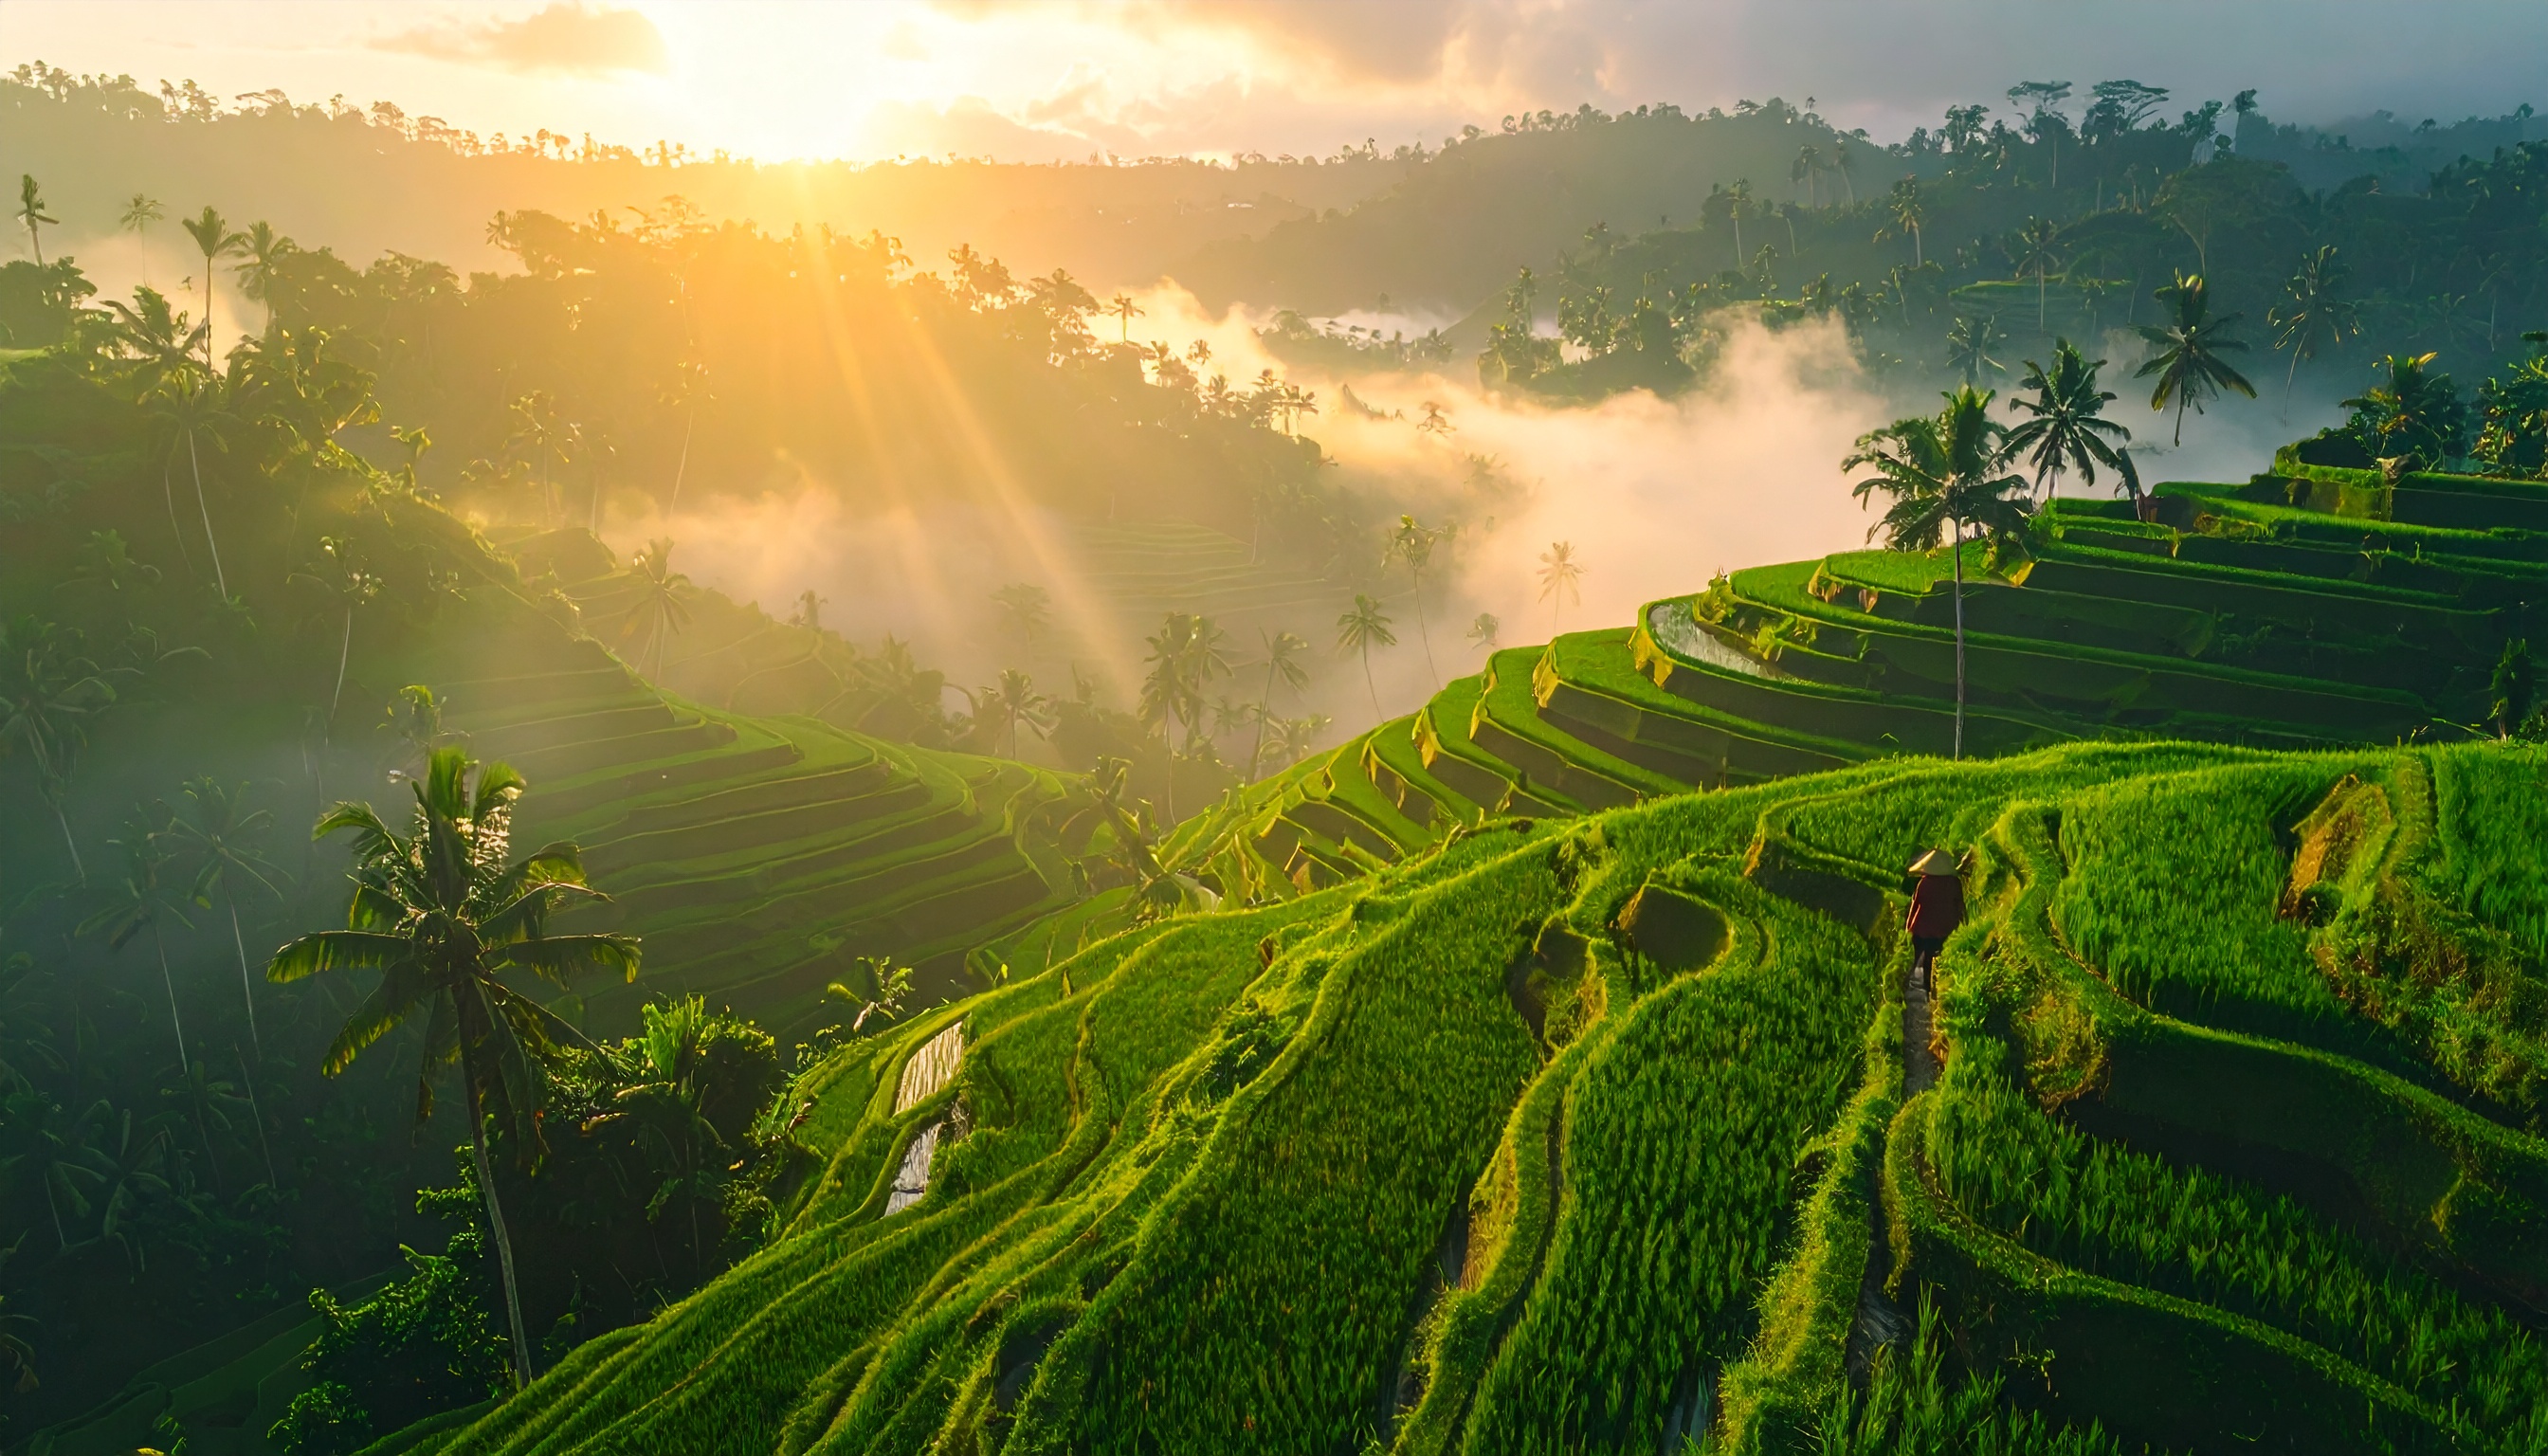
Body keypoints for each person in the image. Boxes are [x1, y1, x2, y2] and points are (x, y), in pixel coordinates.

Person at [1905, 847, 1963, 986]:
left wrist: (1909, 925)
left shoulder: (1924, 883)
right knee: (1933, 958)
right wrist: (1960, 920)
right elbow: (1959, 904)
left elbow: (1915, 905)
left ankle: (1912, 984)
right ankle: (1931, 986)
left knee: (1917, 958)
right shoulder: (1954, 883)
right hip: (1943, 929)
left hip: (1922, 929)